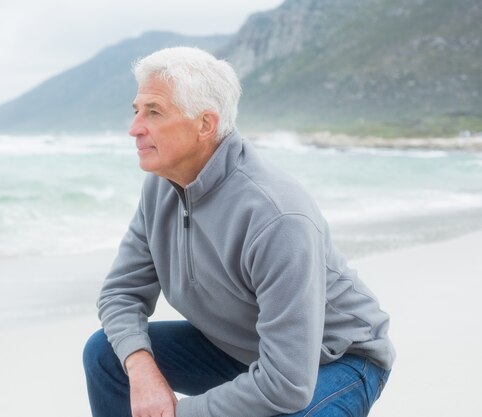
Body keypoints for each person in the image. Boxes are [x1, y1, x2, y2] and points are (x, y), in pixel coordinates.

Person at [83, 46, 395, 417]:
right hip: (236, 350)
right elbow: (120, 293)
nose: (135, 128)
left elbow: (287, 385)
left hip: (332, 361)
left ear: (205, 124)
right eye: (137, 111)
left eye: (154, 112)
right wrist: (141, 369)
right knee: (107, 352)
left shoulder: (277, 216)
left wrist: (179, 414)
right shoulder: (161, 187)